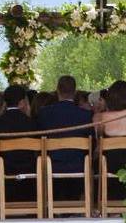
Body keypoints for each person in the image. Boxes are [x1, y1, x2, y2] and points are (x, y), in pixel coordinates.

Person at [38, 74, 95, 203]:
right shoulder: (85, 115)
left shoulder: (44, 114)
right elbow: (92, 143)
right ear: (75, 92)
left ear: (57, 90)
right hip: (80, 167)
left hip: (51, 166)